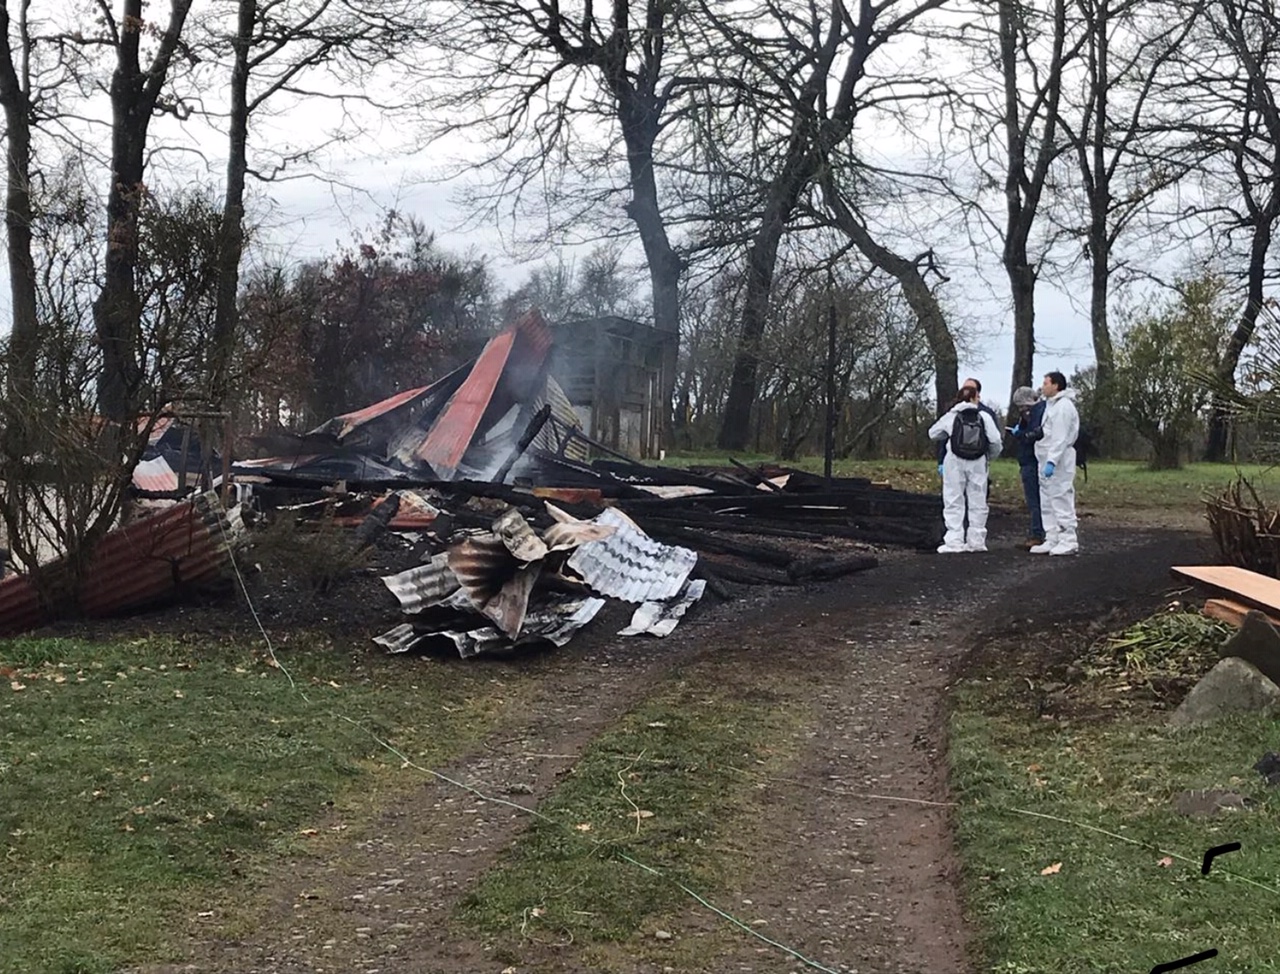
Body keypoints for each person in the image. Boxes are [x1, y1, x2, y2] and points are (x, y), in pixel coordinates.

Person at [929, 385, 1002, 553]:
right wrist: (988, 456)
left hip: (954, 461)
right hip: (978, 462)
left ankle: (954, 540)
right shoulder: (983, 416)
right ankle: (976, 541)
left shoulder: (952, 416)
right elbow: (996, 440)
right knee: (978, 500)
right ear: (975, 397)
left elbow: (933, 433)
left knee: (953, 499)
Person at [1031, 371, 1080, 556]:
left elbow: (1059, 438)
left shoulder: (1063, 407)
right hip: (1045, 459)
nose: (1043, 386)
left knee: (1060, 497)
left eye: (1046, 383)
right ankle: (1052, 536)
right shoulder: (1051, 406)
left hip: (1059, 460)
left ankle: (1068, 538)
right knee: (1047, 499)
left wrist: (1052, 460)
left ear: (1056, 385)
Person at [1009, 385, 1047, 549]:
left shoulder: (1037, 414)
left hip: (1031, 461)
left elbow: (1032, 436)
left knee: (1035, 501)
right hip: (1031, 460)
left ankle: (1037, 533)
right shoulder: (1038, 412)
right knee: (1037, 500)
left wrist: (1020, 434)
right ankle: (1040, 532)